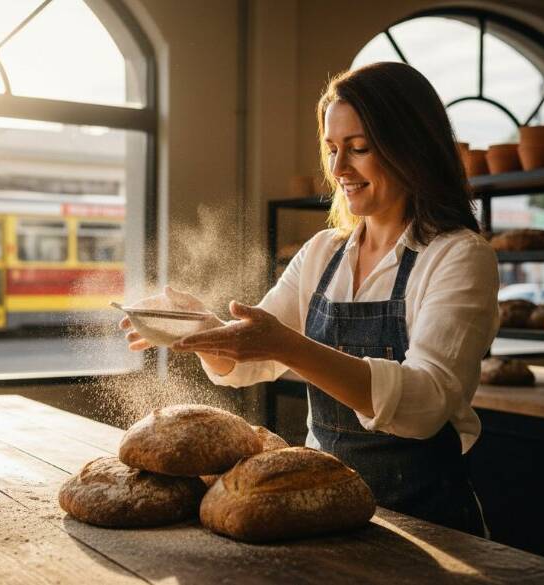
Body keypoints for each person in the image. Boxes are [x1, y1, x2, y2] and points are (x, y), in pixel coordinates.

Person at [121, 62, 499, 536]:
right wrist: (199, 329)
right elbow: (249, 366)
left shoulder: (459, 256)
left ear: (412, 148)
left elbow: (425, 405)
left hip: (429, 522)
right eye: (332, 148)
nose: (339, 169)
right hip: (323, 506)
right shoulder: (323, 252)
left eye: (359, 149)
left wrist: (287, 346)